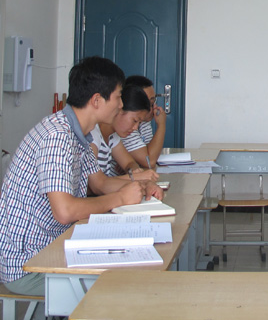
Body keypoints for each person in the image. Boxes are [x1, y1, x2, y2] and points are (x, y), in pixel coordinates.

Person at [0, 56, 164, 296]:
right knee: (122, 288)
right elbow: (65, 211)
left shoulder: (79, 134)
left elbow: (100, 184)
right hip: (29, 263)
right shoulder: (57, 136)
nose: (121, 105)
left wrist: (141, 186)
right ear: (97, 100)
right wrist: (121, 198)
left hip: (55, 246)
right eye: (118, 97)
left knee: (131, 268)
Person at [90, 84, 159, 182]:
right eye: (135, 120)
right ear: (119, 110)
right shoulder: (93, 135)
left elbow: (129, 163)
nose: (135, 128)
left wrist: (134, 170)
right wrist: (135, 177)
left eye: (139, 123)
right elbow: (95, 185)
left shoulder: (112, 137)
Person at [120, 75, 167, 168]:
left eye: (153, 102)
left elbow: (150, 152)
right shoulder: (125, 126)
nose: (154, 108)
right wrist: (161, 125)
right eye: (149, 103)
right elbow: (150, 161)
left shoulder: (143, 121)